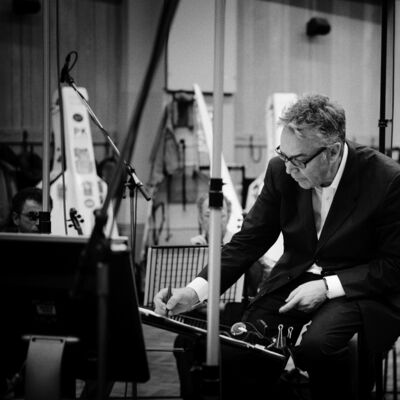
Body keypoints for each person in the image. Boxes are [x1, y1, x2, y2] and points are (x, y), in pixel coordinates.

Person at [154, 93, 400, 400]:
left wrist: (328, 287)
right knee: (243, 346)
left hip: (357, 287)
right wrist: (194, 292)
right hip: (293, 278)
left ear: (333, 152)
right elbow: (248, 240)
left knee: (318, 347)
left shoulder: (386, 179)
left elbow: (394, 265)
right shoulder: (280, 170)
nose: (288, 169)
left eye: (298, 160)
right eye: (283, 156)